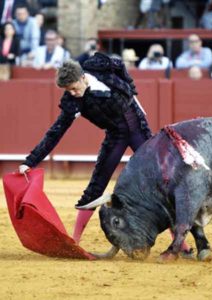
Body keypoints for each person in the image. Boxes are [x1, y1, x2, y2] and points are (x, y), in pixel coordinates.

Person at [18, 53, 192, 256]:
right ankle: (74, 242)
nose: (73, 93)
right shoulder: (72, 102)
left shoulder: (100, 69)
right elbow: (55, 133)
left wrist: (131, 90)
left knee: (160, 182)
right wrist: (30, 161)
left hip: (138, 129)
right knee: (96, 185)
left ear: (83, 77)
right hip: (116, 135)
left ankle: (181, 243)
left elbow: (119, 66)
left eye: (74, 87)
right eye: (68, 90)